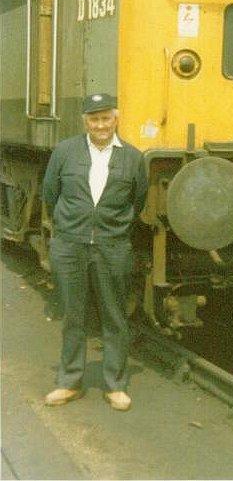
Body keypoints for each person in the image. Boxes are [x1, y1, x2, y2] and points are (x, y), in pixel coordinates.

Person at [43, 93, 148, 411]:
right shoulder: (64, 152)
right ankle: (69, 381)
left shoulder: (132, 157)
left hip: (112, 247)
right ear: (85, 121)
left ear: (116, 119)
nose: (100, 125)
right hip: (70, 245)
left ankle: (115, 385)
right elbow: (50, 194)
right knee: (72, 314)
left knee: (114, 316)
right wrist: (71, 227)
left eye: (106, 118)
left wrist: (111, 229)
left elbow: (137, 202)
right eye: (94, 119)